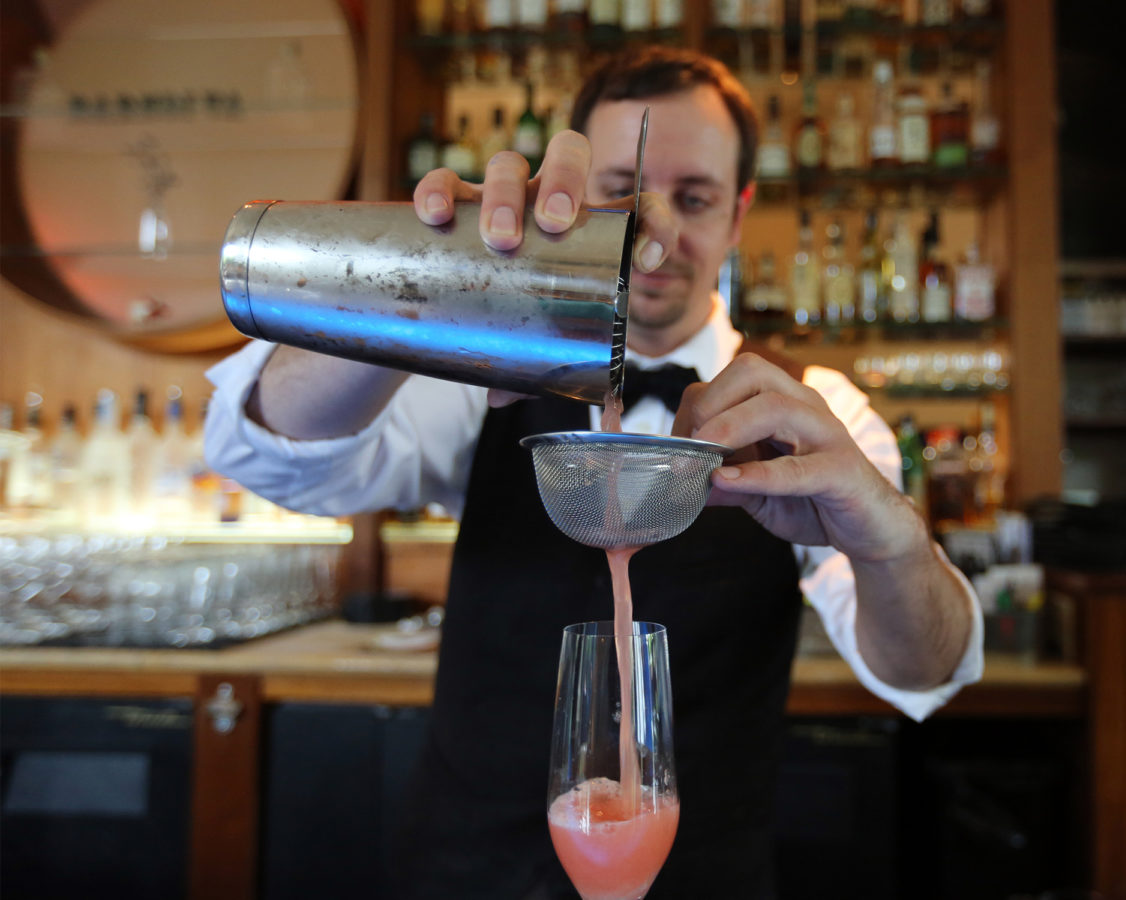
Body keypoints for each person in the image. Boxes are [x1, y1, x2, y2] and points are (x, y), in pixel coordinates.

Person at [205, 46, 982, 899]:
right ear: (567, 203)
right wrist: (429, 283)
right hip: (468, 874)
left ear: (739, 214)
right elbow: (266, 454)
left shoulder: (817, 411)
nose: (662, 236)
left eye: (697, 200)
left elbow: (922, 669)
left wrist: (895, 546)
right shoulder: (483, 381)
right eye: (625, 199)